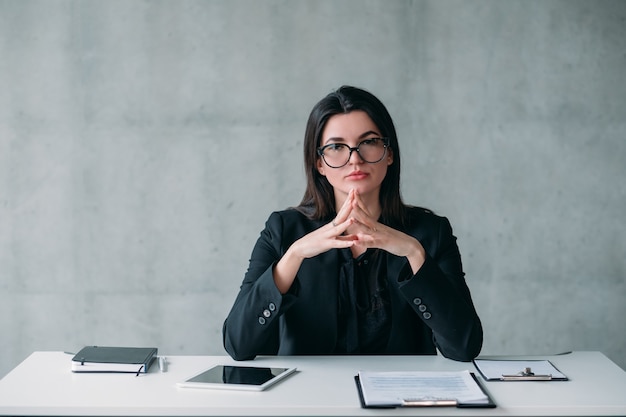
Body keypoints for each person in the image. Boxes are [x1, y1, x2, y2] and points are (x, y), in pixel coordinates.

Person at [222, 86, 483, 362]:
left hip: (404, 398)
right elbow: (239, 345)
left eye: (369, 142)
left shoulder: (430, 233)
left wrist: (414, 253)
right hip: (309, 399)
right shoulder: (284, 231)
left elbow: (464, 347)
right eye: (336, 147)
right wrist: (295, 255)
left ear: (389, 154)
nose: (355, 159)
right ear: (319, 163)